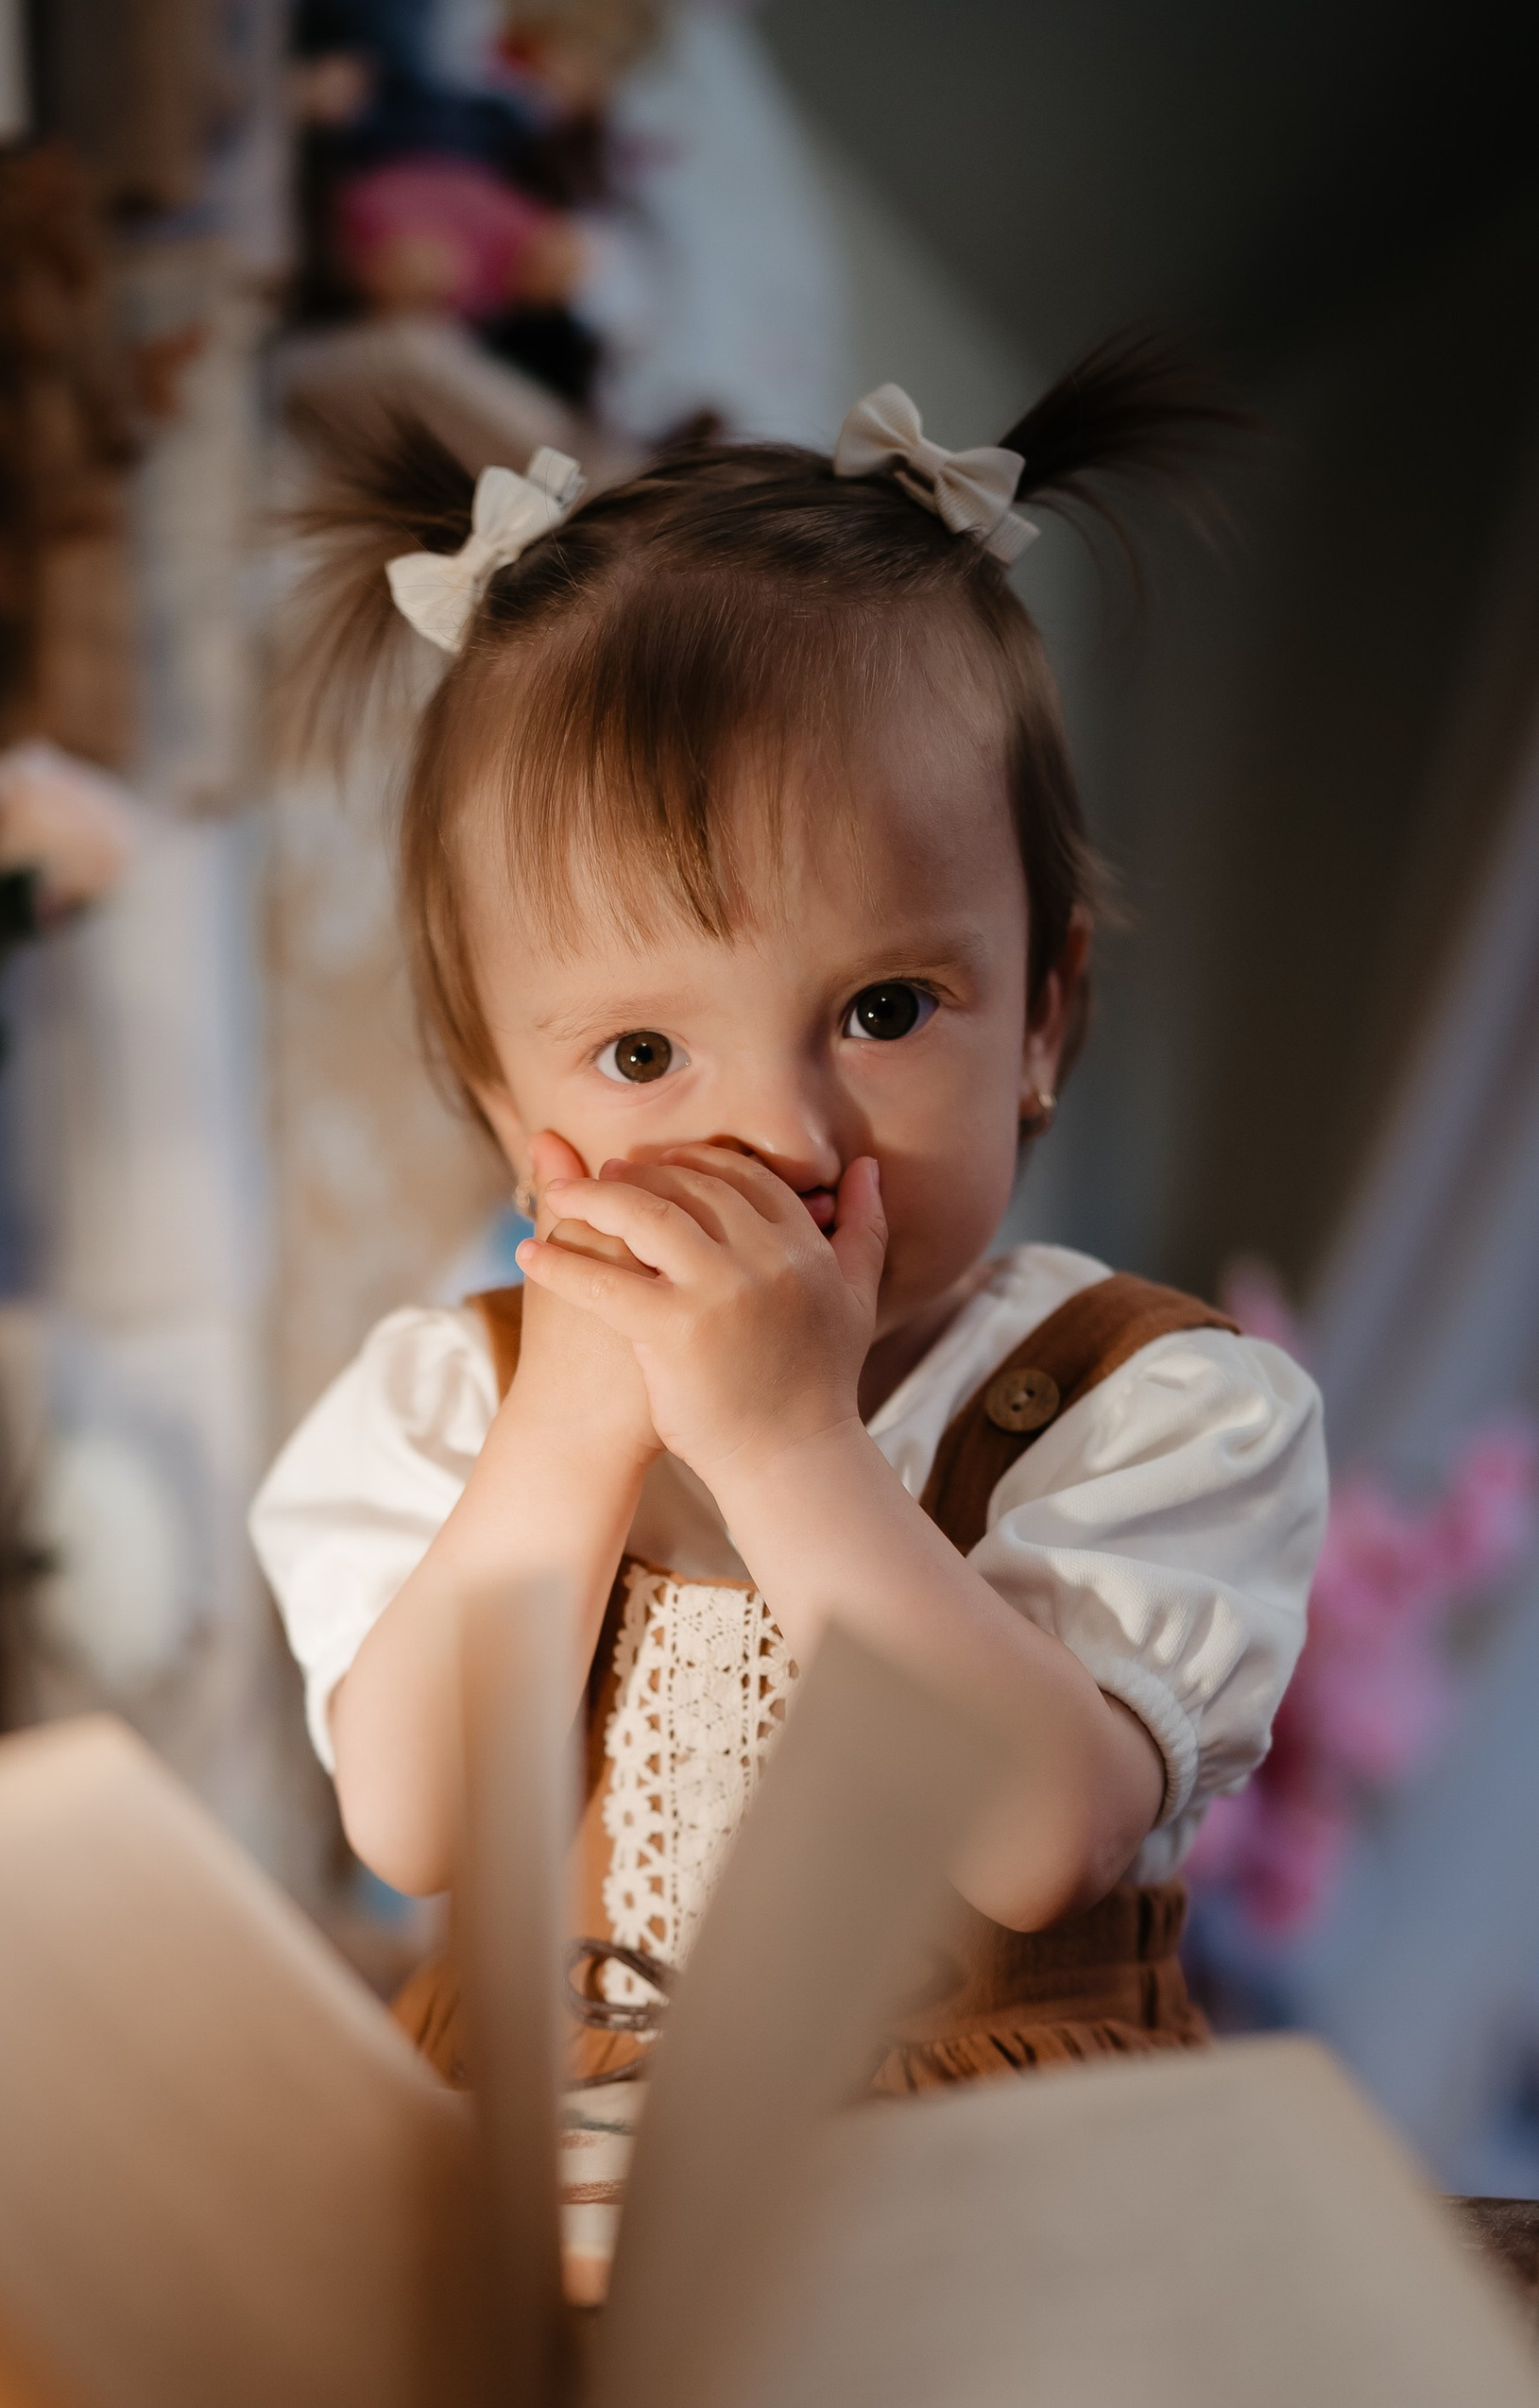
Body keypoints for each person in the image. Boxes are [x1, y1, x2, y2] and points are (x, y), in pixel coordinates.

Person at [249, 344, 1329, 2284]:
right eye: (642, 1048)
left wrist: (786, 1445)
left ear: (1042, 1018)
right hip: (547, 2190)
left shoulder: (1145, 1407)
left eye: (881, 1011)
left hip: (985, 2215)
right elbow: (413, 1816)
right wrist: (574, 1434)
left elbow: (1030, 1838)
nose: (774, 1130)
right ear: (510, 1105)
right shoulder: (452, 1401)